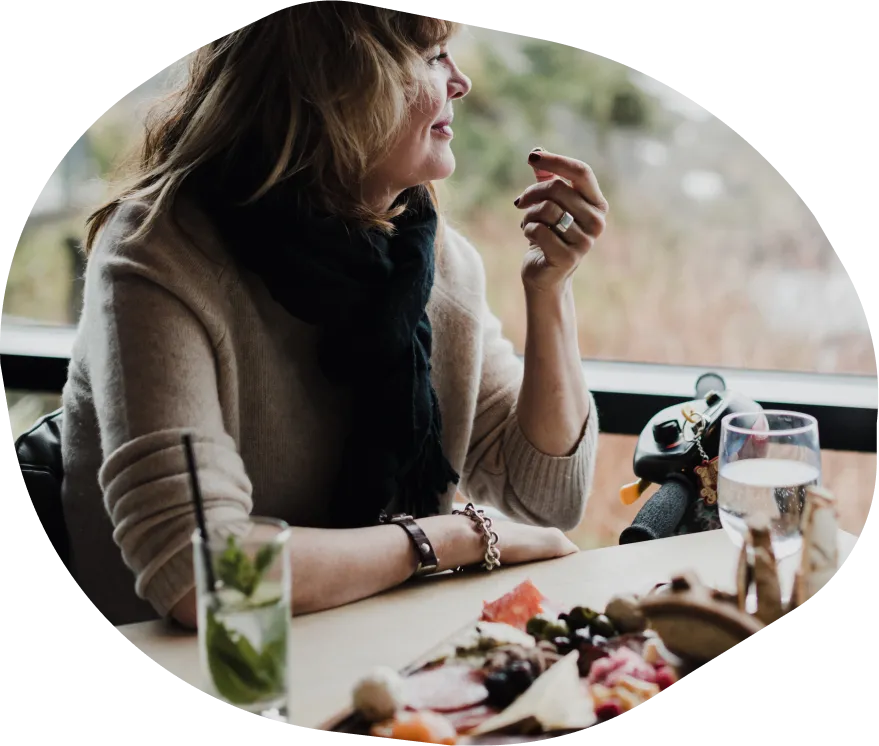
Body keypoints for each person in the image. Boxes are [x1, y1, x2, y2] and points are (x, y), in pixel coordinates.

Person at [61, 3, 608, 629]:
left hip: (385, 665)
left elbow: (546, 501)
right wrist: (449, 540)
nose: (461, 81)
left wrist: (551, 289)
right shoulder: (159, 252)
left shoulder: (431, 262)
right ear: (342, 82)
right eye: (433, 57)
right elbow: (203, 575)